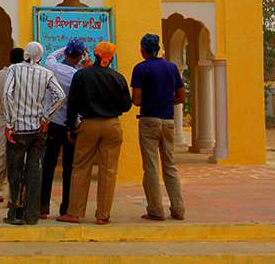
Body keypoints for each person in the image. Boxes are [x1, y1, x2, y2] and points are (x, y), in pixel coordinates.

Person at [58, 41, 132, 225]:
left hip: (89, 124)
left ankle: (74, 212)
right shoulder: (118, 77)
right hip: (112, 125)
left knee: (81, 168)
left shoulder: (82, 75)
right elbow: (126, 105)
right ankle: (103, 215)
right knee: (108, 171)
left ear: (95, 55)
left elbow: (72, 104)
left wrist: (70, 127)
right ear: (111, 57)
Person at [3, 41, 65, 226]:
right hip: (38, 130)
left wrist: (10, 122)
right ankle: (32, 214)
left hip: (18, 129)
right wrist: (46, 117)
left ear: (25, 54)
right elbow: (60, 96)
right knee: (35, 171)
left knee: (14, 171)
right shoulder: (46, 73)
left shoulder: (14, 69)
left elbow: (7, 94)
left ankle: (15, 213)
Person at [131, 33, 186, 221]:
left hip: (149, 120)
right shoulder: (172, 68)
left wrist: (150, 99)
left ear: (143, 50)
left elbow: (136, 100)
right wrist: (166, 100)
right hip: (168, 120)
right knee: (170, 165)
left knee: (151, 167)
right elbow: (181, 97)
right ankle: (178, 209)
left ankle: (155, 209)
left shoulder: (141, 69)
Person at [39, 39, 87, 219]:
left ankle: (43, 207)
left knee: (48, 165)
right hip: (71, 125)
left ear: (67, 53)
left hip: (53, 123)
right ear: (80, 57)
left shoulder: (54, 68)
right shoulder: (79, 75)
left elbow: (51, 56)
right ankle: (66, 208)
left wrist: (64, 49)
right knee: (69, 168)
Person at [0, 47, 25, 205]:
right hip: (20, 122)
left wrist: (0, 113)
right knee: (20, 159)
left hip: (2, 122)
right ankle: (13, 197)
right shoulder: (22, 75)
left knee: (3, 158)